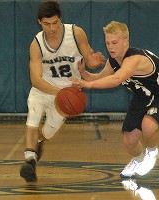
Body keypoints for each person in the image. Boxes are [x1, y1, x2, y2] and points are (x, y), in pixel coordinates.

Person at [71, 21, 159, 178]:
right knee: (129, 141)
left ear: (126, 42)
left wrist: (87, 84)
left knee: (148, 125)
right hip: (143, 96)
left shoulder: (134, 59)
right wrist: (84, 74)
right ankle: (137, 160)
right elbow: (99, 77)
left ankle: (152, 152)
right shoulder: (113, 61)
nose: (110, 47)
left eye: (115, 43)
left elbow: (116, 79)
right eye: (108, 43)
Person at [19, 0, 105, 183]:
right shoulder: (36, 44)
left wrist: (94, 62)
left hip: (67, 92)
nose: (51, 28)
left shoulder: (76, 33)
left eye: (55, 23)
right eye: (46, 24)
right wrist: (59, 91)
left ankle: (38, 143)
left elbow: (88, 59)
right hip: (43, 89)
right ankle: (29, 161)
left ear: (60, 19)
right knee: (33, 116)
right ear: (39, 22)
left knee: (48, 132)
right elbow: (36, 79)